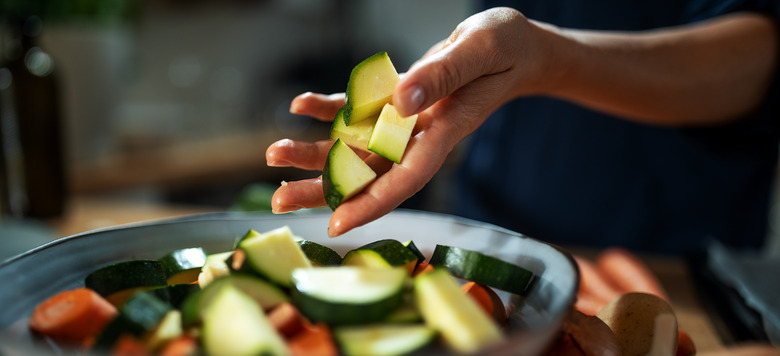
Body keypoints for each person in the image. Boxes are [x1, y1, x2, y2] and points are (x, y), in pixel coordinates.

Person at [265, 1, 780, 256]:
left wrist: (549, 58)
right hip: (489, 228)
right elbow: (493, 41)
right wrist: (442, 80)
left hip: (666, 249)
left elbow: (758, 58)